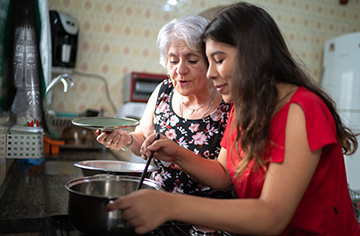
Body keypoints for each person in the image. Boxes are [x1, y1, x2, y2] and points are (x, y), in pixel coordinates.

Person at [105, 2, 360, 235]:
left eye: (218, 59)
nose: (211, 72)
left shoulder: (302, 110)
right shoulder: (244, 105)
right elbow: (226, 175)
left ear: (252, 55)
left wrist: (171, 205)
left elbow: (271, 216)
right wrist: (174, 153)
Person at [96, 15, 234, 198]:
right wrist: (126, 139)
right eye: (173, 61)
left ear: (209, 61)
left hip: (205, 215)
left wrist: (177, 154)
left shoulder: (228, 102)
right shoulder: (163, 91)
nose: (180, 70)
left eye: (192, 61)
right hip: (158, 205)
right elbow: (144, 139)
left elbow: (225, 179)